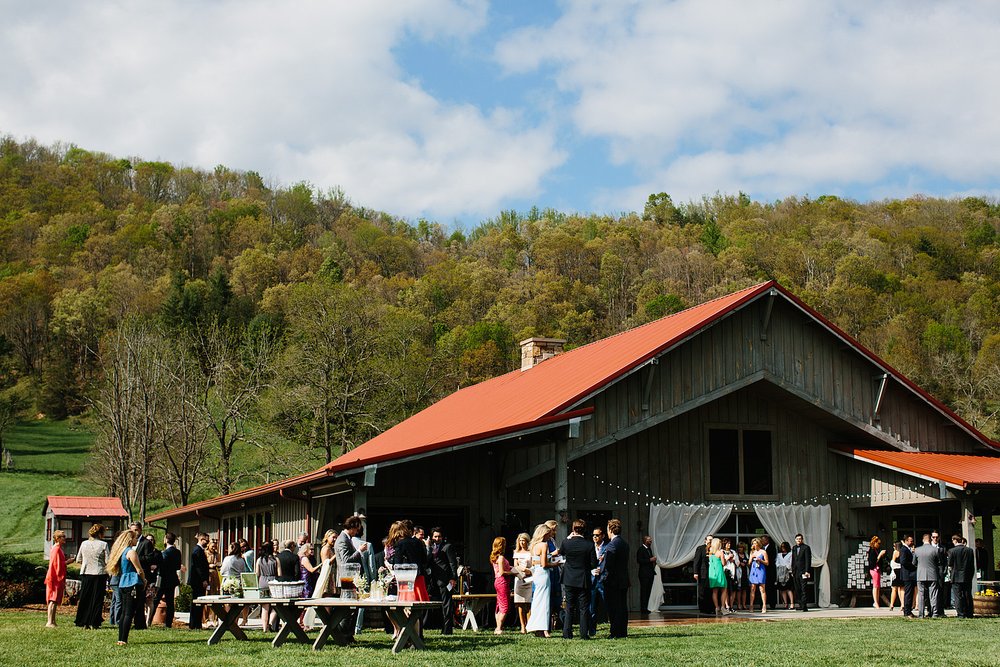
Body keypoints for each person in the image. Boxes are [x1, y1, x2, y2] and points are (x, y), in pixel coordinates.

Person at [107, 529, 147, 645]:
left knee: (124, 612)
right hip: (133, 583)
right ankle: (123, 639)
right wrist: (144, 580)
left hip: (123, 583)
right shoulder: (131, 552)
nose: (136, 540)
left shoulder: (122, 552)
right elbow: (139, 570)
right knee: (129, 613)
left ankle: (121, 638)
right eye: (135, 538)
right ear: (130, 540)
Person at [560, 519, 598, 639]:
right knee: (583, 608)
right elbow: (593, 564)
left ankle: (567, 633)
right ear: (584, 530)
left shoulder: (566, 543)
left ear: (573, 529)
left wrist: (567, 538)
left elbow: (561, 552)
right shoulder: (589, 544)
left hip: (569, 578)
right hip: (583, 578)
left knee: (569, 607)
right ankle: (583, 633)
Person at [75, 523, 110, 629]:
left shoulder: (84, 543)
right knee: (97, 598)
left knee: (85, 597)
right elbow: (107, 560)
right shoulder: (103, 544)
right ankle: (94, 621)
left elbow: (78, 559)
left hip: (86, 573)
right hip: (99, 573)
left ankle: (83, 620)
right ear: (100, 533)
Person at [147, 532, 182, 628]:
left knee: (156, 600)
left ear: (166, 540)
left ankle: (149, 620)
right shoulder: (177, 552)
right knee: (170, 602)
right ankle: (168, 623)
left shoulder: (164, 553)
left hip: (162, 579)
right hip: (172, 579)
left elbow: (161, 566)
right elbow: (178, 566)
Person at [525, 523, 554, 637]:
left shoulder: (534, 545)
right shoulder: (544, 545)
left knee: (537, 600)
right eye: (548, 534)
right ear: (544, 534)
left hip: (536, 573)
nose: (549, 537)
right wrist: (555, 564)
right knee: (544, 601)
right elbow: (544, 564)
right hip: (543, 574)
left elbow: (534, 562)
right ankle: (543, 628)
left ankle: (537, 627)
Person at [427, 527, 458, 634]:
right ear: (431, 537)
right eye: (435, 536)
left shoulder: (447, 547)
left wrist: (453, 578)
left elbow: (452, 563)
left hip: (445, 579)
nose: (437, 538)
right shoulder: (430, 547)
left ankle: (447, 629)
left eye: (439, 536)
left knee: (447, 605)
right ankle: (433, 625)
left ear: (442, 537)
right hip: (433, 580)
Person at [602, 519, 629, 638]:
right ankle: (623, 631)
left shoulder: (612, 545)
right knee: (622, 607)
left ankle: (615, 631)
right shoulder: (624, 543)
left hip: (613, 581)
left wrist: (604, 577)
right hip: (623, 579)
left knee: (613, 608)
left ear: (610, 530)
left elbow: (609, 565)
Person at [490, 536, 515, 635]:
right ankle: (499, 627)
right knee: (504, 605)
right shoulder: (501, 558)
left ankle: (498, 627)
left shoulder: (493, 557)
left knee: (499, 604)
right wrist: (513, 573)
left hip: (497, 581)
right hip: (502, 581)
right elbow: (502, 572)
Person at [44, 529, 68, 628]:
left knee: (55, 599)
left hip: (55, 577)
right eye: (63, 536)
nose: (65, 538)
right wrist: (68, 562)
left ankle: (53, 621)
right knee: (53, 599)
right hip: (55, 577)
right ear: (57, 538)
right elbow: (56, 564)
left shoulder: (58, 548)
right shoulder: (56, 549)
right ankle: (49, 622)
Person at [914, 533, 941, 618]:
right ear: (930, 540)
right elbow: (939, 562)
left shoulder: (917, 550)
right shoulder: (935, 550)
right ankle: (935, 613)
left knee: (921, 595)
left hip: (920, 574)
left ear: (923, 540)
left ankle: (921, 614)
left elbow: (914, 563)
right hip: (932, 574)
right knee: (933, 595)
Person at [948, 534, 975, 618]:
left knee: (958, 596)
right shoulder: (969, 550)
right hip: (967, 576)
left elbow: (950, 563)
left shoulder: (952, 551)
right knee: (968, 595)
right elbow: (971, 564)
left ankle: (961, 613)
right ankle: (969, 613)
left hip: (956, 576)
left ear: (955, 540)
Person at [187, 532, 210, 630]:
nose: (208, 542)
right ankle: (194, 624)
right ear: (201, 539)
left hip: (198, 580)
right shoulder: (197, 551)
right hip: (197, 581)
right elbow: (198, 567)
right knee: (197, 602)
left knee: (198, 602)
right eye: (206, 540)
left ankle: (197, 623)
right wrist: (203, 579)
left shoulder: (200, 550)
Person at [255, 540, 278, 631]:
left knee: (265, 607)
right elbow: (279, 573)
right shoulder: (275, 559)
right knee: (276, 606)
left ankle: (264, 628)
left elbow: (257, 573)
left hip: (262, 582)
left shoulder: (259, 560)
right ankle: (270, 622)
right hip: (273, 582)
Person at [512, 532, 533, 633]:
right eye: (520, 540)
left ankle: (529, 624)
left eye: (523, 540)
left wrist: (529, 571)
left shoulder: (531, 552)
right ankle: (522, 625)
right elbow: (515, 566)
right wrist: (520, 570)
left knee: (528, 603)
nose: (522, 542)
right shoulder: (516, 553)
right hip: (519, 579)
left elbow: (533, 564)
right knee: (520, 603)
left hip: (529, 578)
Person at [589, 526, 608, 634]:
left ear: (603, 536)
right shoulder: (590, 547)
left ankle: (613, 628)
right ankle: (592, 630)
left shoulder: (607, 547)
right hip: (592, 581)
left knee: (607, 604)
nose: (595, 537)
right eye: (593, 535)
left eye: (597, 535)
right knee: (591, 607)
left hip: (603, 580)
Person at [791, 533, 812, 612]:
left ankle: (804, 605)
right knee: (797, 588)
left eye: (800, 539)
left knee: (804, 588)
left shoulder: (806, 548)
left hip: (803, 571)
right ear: (795, 540)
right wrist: (792, 570)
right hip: (796, 571)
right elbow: (793, 560)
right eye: (797, 539)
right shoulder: (794, 548)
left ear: (802, 540)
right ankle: (800, 604)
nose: (798, 540)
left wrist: (807, 571)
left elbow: (808, 560)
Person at [693, 535, 713, 614]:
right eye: (709, 540)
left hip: (712, 573)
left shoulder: (714, 549)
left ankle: (710, 608)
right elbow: (696, 561)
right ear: (705, 540)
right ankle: (703, 608)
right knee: (702, 591)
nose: (710, 541)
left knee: (710, 591)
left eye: (712, 540)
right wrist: (695, 572)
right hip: (703, 573)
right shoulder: (700, 548)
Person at [636, 535, 655, 615]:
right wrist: (650, 560)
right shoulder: (641, 549)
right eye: (649, 540)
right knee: (644, 591)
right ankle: (643, 609)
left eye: (651, 540)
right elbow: (639, 560)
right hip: (644, 574)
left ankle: (646, 607)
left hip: (650, 574)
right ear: (645, 541)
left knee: (648, 592)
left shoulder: (649, 549)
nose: (650, 541)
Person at [898, 534, 917, 617]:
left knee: (910, 593)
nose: (912, 542)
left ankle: (909, 610)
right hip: (908, 574)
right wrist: (913, 565)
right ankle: (907, 611)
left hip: (910, 575)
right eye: (910, 541)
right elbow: (903, 561)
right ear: (906, 541)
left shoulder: (908, 549)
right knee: (908, 593)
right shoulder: (904, 549)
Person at [204, 536, 222, 627]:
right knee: (207, 596)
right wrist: (209, 565)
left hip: (215, 575)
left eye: (215, 546)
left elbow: (219, 563)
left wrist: (218, 565)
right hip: (208, 575)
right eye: (212, 546)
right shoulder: (205, 553)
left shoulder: (217, 554)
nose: (214, 548)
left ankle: (215, 618)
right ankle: (206, 619)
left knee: (215, 595)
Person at [707, 537, 728, 615]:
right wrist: (727, 558)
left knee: (714, 591)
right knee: (724, 589)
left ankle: (717, 608)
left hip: (712, 572)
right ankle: (722, 607)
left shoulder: (710, 553)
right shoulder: (720, 552)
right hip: (719, 572)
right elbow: (723, 563)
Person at [747, 537, 768, 613]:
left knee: (762, 589)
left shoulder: (763, 552)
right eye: (753, 543)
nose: (754, 545)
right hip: (753, 570)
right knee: (752, 589)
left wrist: (760, 560)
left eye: (755, 543)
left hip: (761, 570)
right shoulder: (752, 552)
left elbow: (767, 563)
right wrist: (751, 557)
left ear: (759, 544)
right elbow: (749, 563)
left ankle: (764, 606)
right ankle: (751, 606)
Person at [867, 536, 887, 608]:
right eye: (878, 543)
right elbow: (873, 562)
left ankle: (877, 601)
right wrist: (880, 555)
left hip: (877, 569)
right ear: (874, 543)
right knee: (875, 586)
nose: (879, 544)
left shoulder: (876, 550)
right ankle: (875, 602)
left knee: (878, 586)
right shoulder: (872, 551)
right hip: (874, 569)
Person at [775, 541, 793, 610]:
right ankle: (785, 603)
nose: (783, 548)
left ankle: (791, 603)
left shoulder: (790, 554)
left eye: (784, 547)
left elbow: (791, 562)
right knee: (782, 589)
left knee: (789, 588)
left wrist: (786, 567)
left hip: (788, 572)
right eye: (781, 547)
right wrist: (781, 567)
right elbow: (777, 563)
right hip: (780, 573)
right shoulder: (779, 555)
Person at [761, 535, 777, 609]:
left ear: (767, 540)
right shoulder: (761, 549)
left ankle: (772, 604)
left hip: (770, 570)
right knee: (763, 587)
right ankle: (763, 603)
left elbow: (771, 559)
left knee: (771, 588)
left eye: (763, 540)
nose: (761, 542)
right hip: (763, 570)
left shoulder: (772, 548)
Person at [888, 540, 903, 611]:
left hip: (896, 571)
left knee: (894, 589)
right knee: (902, 589)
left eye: (894, 546)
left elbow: (893, 563)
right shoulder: (903, 552)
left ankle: (891, 605)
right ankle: (902, 604)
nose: (893, 547)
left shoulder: (895, 552)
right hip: (902, 571)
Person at [735, 542, 750, 611]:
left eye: (741, 547)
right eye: (738, 547)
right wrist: (740, 563)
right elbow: (735, 563)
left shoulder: (746, 555)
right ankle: (739, 604)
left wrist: (747, 564)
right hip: (738, 574)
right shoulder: (736, 555)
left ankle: (744, 604)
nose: (740, 549)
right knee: (739, 590)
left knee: (744, 590)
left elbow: (749, 562)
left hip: (745, 573)